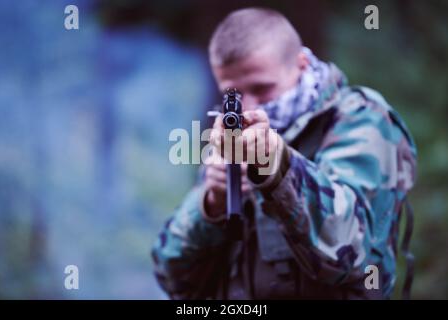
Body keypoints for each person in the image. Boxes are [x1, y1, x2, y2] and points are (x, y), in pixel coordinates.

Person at [151, 7, 417, 299]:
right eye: (234, 95)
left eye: (262, 89)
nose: (249, 107)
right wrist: (211, 203)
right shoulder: (229, 136)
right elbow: (172, 277)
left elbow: (351, 251)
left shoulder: (360, 119)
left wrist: (278, 169)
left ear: (301, 64)